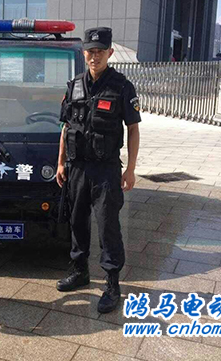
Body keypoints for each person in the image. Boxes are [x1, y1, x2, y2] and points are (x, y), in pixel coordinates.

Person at [56, 27, 141, 314]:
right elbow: (66, 127)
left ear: (110, 53)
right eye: (91, 51)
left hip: (106, 170)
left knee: (108, 226)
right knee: (77, 221)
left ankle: (112, 284)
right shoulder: (74, 86)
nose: (95, 56)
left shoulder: (122, 87)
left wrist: (130, 169)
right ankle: (79, 271)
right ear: (84, 54)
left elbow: (133, 129)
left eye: (100, 52)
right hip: (77, 167)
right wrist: (60, 162)